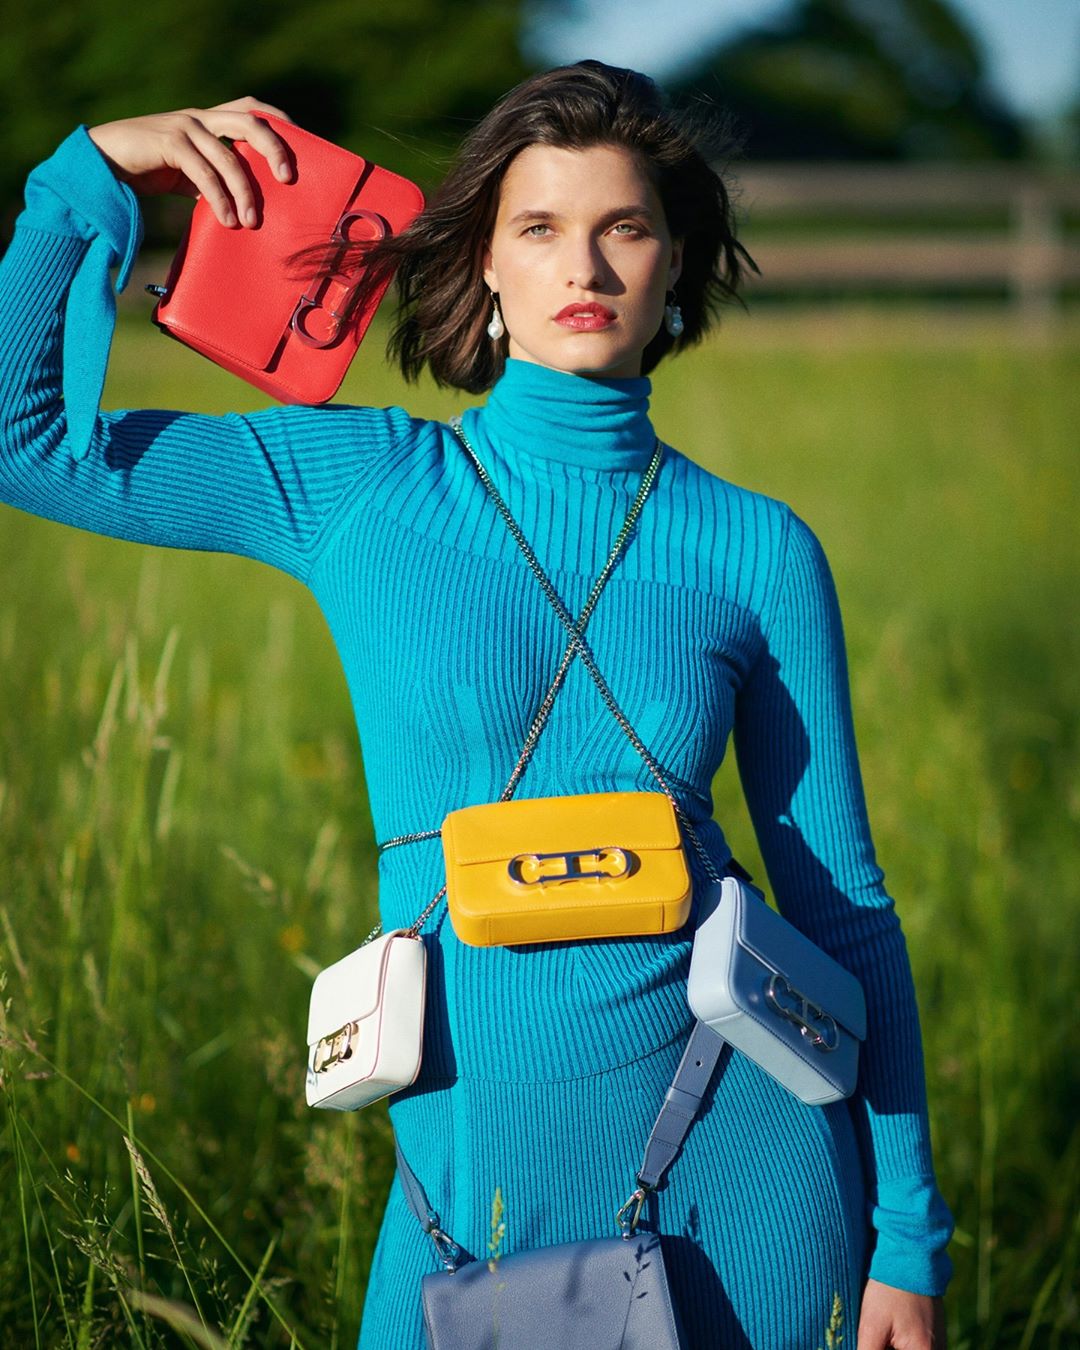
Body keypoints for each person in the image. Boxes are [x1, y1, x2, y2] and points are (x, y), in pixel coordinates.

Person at [0, 61, 952, 1349]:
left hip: (748, 1159)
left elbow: (842, 902)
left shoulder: (756, 548)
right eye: (541, 229)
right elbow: (27, 440)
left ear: (677, 266)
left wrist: (906, 1239)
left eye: (626, 229)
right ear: (486, 269)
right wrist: (92, 174)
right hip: (463, 1172)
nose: (588, 268)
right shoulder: (363, 486)